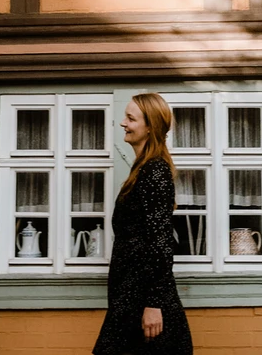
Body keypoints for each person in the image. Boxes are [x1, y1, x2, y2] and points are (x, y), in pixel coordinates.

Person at [94, 93, 193, 355]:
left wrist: (153, 303)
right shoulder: (143, 169)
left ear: (150, 126)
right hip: (131, 293)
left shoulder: (154, 172)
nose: (123, 123)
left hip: (142, 298)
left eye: (131, 118)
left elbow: (160, 241)